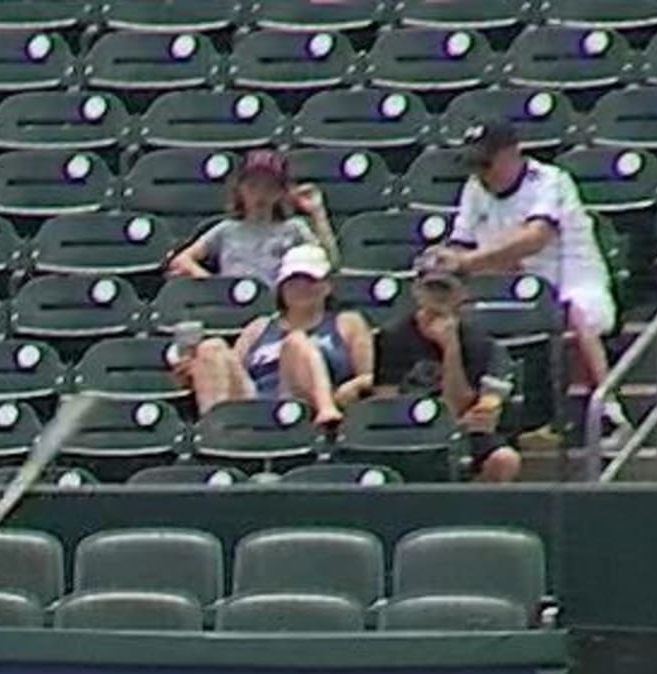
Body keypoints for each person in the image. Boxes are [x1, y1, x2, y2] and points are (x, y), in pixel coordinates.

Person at [427, 120, 622, 438]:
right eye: (474, 164)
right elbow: (460, 242)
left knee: (574, 312)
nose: (480, 171)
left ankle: (608, 412)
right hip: (506, 285)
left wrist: (468, 262)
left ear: (512, 153)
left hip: (572, 280)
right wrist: (442, 259)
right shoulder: (476, 188)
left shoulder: (551, 181)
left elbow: (535, 238)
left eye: (486, 163)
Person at [369, 253, 524, 483]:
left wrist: (450, 347)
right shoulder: (392, 337)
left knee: (505, 460)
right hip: (407, 429)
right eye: (431, 288)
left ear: (463, 292)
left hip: (459, 429)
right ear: (416, 290)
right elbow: (387, 401)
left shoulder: (477, 343)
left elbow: (458, 405)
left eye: (446, 288)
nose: (438, 296)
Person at [183, 244, 374, 428]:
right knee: (212, 347)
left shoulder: (348, 323)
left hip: (301, 405)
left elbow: (371, 376)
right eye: (292, 282)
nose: (301, 287)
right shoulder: (258, 327)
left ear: (327, 286)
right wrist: (193, 372)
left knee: (295, 342)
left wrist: (353, 387)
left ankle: (326, 411)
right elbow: (230, 372)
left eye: (310, 280)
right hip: (256, 402)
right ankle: (214, 428)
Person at [164, 150, 340, 289]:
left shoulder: (294, 228)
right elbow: (182, 260)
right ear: (239, 189)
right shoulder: (226, 230)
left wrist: (317, 213)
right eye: (253, 186)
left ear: (281, 192)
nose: (260, 194)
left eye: (269, 187)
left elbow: (329, 263)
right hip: (233, 306)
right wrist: (214, 285)